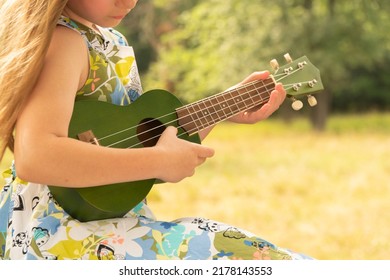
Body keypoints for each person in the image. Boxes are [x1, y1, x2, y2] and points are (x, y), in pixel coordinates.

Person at [0, 0, 311, 260]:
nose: (127, 1)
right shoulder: (64, 41)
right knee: (245, 256)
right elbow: (36, 156)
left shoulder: (112, 40)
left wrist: (222, 109)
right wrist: (159, 162)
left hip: (111, 226)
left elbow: (135, 143)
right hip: (59, 237)